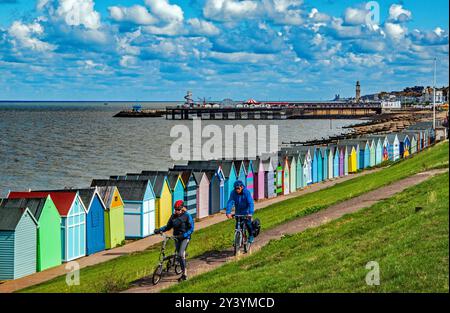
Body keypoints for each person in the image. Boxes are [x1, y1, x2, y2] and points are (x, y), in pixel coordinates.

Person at [154, 200, 194, 282]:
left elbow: (191, 229)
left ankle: (184, 274)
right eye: (175, 209)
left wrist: (184, 235)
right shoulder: (173, 217)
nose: (176, 211)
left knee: (180, 254)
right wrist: (159, 230)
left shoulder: (187, 216)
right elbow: (168, 227)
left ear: (182, 209)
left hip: (185, 238)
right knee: (178, 254)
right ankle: (177, 261)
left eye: (178, 210)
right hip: (176, 238)